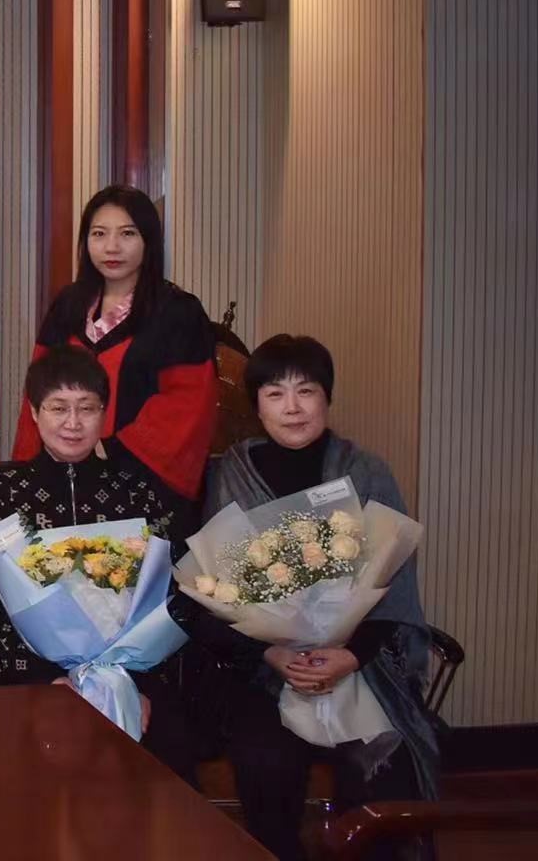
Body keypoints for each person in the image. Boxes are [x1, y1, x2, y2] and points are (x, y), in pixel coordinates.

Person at [195, 335, 436, 861]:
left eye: (306, 391)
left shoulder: (366, 471)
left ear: (328, 397)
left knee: (383, 763)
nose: (293, 407)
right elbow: (214, 587)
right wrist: (272, 653)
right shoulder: (229, 475)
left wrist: (350, 655)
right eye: (275, 393)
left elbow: (394, 581)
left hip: (359, 665)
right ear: (256, 405)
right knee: (265, 761)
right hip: (264, 670)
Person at [0, 346, 191, 779]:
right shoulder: (5, 494)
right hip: (36, 678)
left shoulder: (137, 490)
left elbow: (168, 594)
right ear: (34, 413)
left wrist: (134, 684)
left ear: (104, 414)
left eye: (87, 408)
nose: (73, 423)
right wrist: (47, 681)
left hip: (134, 673)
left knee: (169, 765)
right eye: (58, 408)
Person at [12, 185, 217, 511]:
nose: (112, 247)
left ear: (149, 240)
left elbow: (189, 401)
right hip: (64, 471)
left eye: (127, 233)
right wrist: (31, 463)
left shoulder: (178, 311)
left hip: (142, 482)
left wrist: (111, 451)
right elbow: (39, 390)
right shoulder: (69, 305)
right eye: (99, 234)